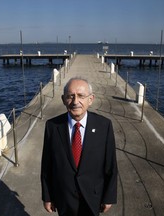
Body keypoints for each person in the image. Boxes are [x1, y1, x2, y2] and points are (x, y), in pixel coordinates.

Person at [41, 77, 118, 216]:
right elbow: (47, 165)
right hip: (64, 197)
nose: (75, 101)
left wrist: (109, 196)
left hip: (93, 197)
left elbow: (111, 165)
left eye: (81, 96)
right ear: (64, 99)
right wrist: (47, 196)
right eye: (70, 96)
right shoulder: (52, 126)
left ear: (91, 99)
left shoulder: (104, 125)